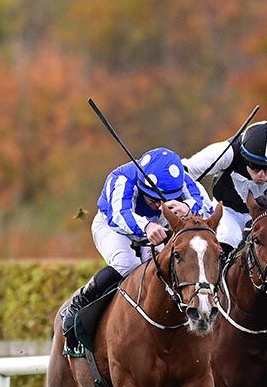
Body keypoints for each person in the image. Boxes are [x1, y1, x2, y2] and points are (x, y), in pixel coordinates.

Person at [61, 147, 214, 351]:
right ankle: (80, 302)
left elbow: (206, 206)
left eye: (166, 202)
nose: (160, 207)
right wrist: (147, 226)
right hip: (114, 228)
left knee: (166, 270)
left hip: (157, 232)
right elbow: (120, 214)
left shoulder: (183, 180)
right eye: (154, 200)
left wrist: (187, 208)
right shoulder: (122, 177)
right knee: (129, 266)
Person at [183, 121, 267, 252]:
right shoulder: (228, 151)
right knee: (228, 239)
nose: (261, 175)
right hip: (227, 210)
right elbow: (186, 169)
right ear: (244, 156)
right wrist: (186, 202)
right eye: (254, 165)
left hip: (264, 216)